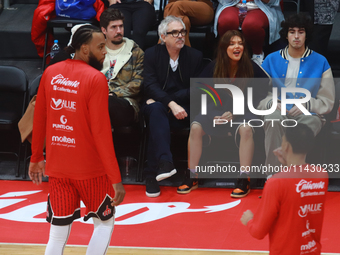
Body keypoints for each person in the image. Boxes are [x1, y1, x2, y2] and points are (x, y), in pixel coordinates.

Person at [29, 25, 125, 255]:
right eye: (100, 47)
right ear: (84, 49)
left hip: (58, 167)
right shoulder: (96, 79)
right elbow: (101, 133)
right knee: (104, 223)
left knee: (58, 232)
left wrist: (35, 158)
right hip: (90, 170)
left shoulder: (51, 73)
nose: (106, 51)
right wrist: (116, 178)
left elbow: (39, 118)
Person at [177, 30, 268, 197]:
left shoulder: (252, 67)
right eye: (232, 44)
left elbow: (261, 96)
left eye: (240, 43)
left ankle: (244, 178)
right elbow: (201, 94)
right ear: (224, 48)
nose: (237, 47)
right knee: (196, 127)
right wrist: (212, 114)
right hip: (216, 112)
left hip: (244, 112)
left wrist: (236, 112)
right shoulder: (213, 66)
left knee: (246, 129)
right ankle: (192, 175)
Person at [258, 13, 335, 172]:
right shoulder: (270, 60)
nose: (296, 36)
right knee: (272, 119)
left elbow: (327, 101)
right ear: (286, 35)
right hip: (279, 109)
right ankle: (273, 176)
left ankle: (294, 175)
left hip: (309, 113)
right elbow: (258, 94)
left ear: (307, 35)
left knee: (305, 126)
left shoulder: (321, 61)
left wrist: (307, 104)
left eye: (301, 32)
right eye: (292, 32)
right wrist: (271, 103)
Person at [241, 124, 328, 254]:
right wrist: (288, 161)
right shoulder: (322, 175)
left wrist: (249, 220)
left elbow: (258, 232)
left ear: (286, 146)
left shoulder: (276, 182)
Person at [142, 15, 203, 197]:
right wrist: (169, 103)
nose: (180, 36)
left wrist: (171, 101)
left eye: (182, 32)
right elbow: (149, 85)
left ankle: (153, 173)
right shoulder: (151, 54)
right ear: (163, 36)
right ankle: (164, 163)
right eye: (174, 32)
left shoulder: (195, 56)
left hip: (184, 109)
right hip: (159, 108)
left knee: (157, 111)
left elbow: (197, 89)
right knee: (155, 112)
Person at [100, 8, 144, 127]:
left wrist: (113, 93)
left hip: (126, 102)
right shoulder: (97, 51)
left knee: (108, 104)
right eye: (114, 27)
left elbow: (138, 84)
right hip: (98, 98)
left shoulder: (136, 52)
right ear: (104, 30)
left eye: (121, 26)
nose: (119, 31)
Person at [214, 0, 284, 65]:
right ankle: (226, 54)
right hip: (232, 4)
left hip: (261, 7)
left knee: (252, 24)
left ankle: (257, 55)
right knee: (226, 21)